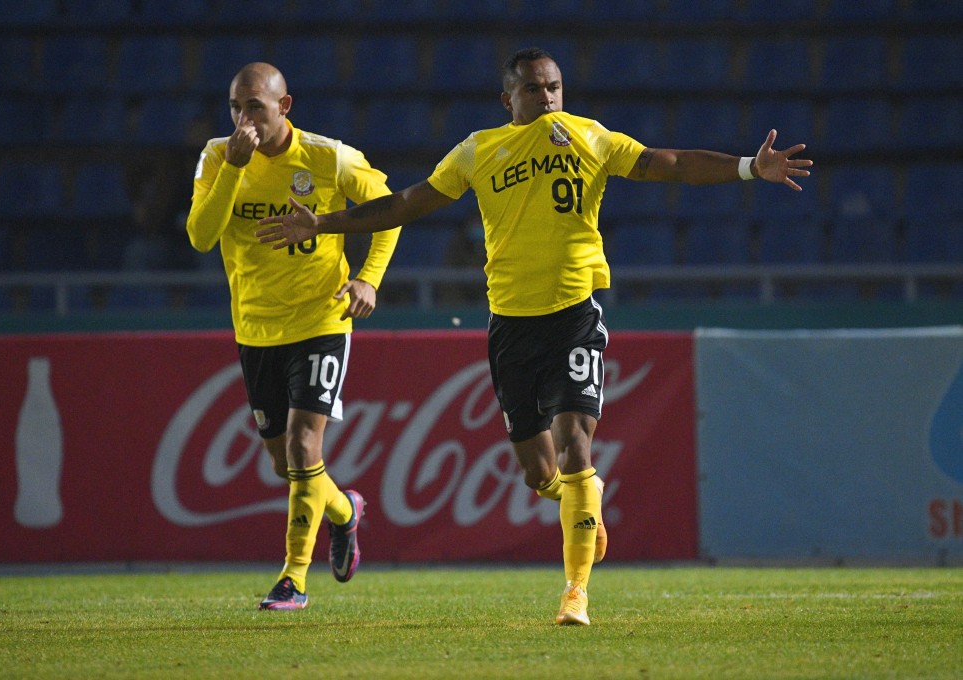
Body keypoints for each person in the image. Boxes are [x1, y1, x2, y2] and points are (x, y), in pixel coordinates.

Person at [255, 47, 812, 625]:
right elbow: (405, 203)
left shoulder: (589, 136)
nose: (547, 98)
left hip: (574, 314)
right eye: (533, 90)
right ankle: (584, 506)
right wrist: (322, 222)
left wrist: (750, 166)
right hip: (511, 327)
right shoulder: (480, 150)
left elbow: (667, 163)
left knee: (576, 445)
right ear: (508, 99)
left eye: (554, 87)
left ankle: (575, 593)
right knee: (539, 472)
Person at [186, 62, 402, 610]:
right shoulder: (218, 156)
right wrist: (234, 169)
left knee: (307, 445)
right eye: (235, 108)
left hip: (321, 318)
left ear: (284, 107)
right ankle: (346, 512)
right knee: (287, 466)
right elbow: (200, 236)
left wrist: (368, 278)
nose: (243, 120)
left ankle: (293, 578)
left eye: (254, 107)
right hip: (256, 328)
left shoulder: (329, 157)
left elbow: (390, 211)